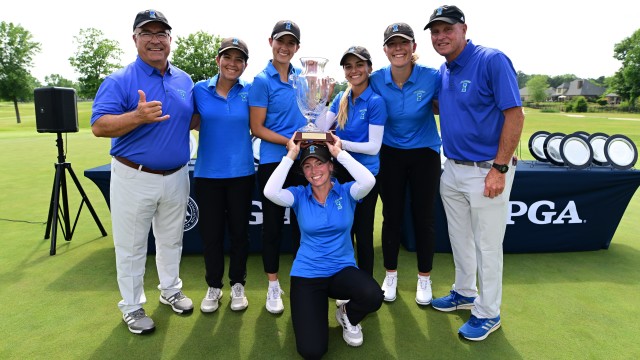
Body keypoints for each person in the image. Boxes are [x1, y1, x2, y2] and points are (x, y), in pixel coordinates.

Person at [91, 9, 196, 334]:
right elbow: (99, 126)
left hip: (177, 176)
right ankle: (133, 307)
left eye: (161, 33)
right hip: (133, 176)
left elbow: (191, 119)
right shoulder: (119, 80)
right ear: (135, 38)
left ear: (169, 39)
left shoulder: (184, 79)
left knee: (170, 241)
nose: (155, 39)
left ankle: (170, 290)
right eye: (147, 33)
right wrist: (135, 117)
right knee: (133, 246)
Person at [425, 5, 525, 341]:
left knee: (487, 245)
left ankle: (488, 312)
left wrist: (499, 168)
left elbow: (515, 116)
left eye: (447, 29)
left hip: (487, 171)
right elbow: (444, 105)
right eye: (435, 31)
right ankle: (465, 293)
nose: (441, 36)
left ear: (463, 29)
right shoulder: (444, 70)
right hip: (451, 168)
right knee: (460, 238)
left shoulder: (491, 60)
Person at [263, 137, 384, 358]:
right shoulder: (299, 195)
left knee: (373, 295)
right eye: (307, 166)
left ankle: (346, 314)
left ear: (330, 166)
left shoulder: (347, 192)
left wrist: (339, 153)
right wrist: (291, 155)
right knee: (312, 351)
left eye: (319, 163)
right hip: (307, 274)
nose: (314, 170)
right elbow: (270, 192)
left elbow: (368, 181)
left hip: (341, 270)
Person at [369, 22, 441, 305]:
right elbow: (351, 101)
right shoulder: (376, 79)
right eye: (392, 44)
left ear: (413, 47)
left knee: (424, 217)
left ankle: (424, 278)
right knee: (392, 216)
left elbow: (462, 106)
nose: (398, 49)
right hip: (390, 154)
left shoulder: (432, 77)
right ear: (385, 50)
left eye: (403, 43)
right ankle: (391, 275)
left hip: (424, 153)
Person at [248, 20, 307, 314]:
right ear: (270, 41)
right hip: (274, 162)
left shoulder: (303, 79)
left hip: (303, 162)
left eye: (291, 43)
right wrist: (289, 143)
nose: (285, 47)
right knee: (271, 226)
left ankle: (302, 280)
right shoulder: (261, 81)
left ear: (297, 47)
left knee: (302, 224)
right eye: (280, 41)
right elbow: (257, 127)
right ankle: (273, 286)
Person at [192, 37, 253, 313]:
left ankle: (237, 284)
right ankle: (214, 286)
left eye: (238, 59)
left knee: (240, 233)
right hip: (208, 175)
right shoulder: (199, 90)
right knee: (212, 234)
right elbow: (189, 121)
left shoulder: (249, 92)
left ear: (244, 65)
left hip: (241, 173)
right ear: (218, 60)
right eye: (227, 57)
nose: (232, 63)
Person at [317, 46, 387, 278]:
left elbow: (373, 147)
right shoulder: (340, 98)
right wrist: (324, 100)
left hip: (365, 175)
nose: (354, 70)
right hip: (341, 173)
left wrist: (341, 144)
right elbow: (319, 129)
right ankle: (345, 278)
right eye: (348, 66)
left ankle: (365, 282)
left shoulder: (376, 101)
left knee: (363, 230)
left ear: (369, 68)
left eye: (359, 65)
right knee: (342, 228)